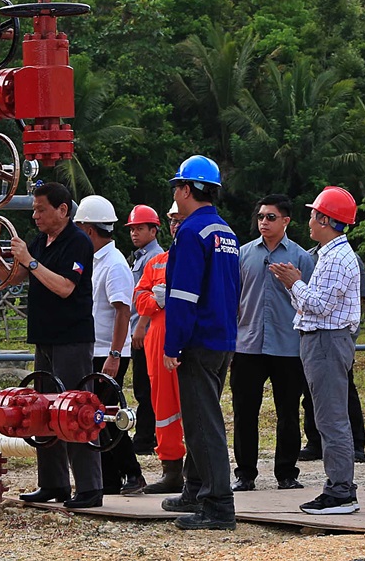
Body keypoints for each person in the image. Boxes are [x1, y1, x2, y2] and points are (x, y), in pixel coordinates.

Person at [0, 182, 102, 509]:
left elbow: (65, 287)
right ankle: (53, 484)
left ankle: (90, 487)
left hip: (72, 338)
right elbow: (13, 278)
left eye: (41, 209)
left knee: (74, 407)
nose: (35, 215)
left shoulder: (78, 243)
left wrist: (31, 261)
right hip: (45, 337)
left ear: (62, 210)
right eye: (34, 209)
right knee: (42, 410)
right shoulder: (39, 241)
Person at [269, 186, 362, 515]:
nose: (309, 220)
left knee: (331, 418)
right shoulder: (330, 254)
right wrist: (292, 284)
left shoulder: (336, 258)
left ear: (326, 219)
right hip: (322, 339)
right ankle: (340, 487)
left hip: (327, 340)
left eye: (313, 214)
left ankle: (340, 491)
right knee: (328, 417)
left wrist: (294, 281)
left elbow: (319, 306)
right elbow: (310, 307)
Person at [161, 155, 240, 531]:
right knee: (200, 417)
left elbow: (183, 296)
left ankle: (218, 505)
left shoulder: (191, 233)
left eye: (177, 186)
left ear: (187, 189)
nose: (175, 193)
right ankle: (195, 489)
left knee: (203, 423)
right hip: (222, 336)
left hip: (198, 338)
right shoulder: (225, 231)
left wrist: (172, 344)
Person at [231, 194, 315, 492]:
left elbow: (310, 303)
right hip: (248, 344)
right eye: (261, 217)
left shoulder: (302, 257)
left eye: (270, 217)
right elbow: (233, 299)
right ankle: (245, 473)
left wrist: (293, 281)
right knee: (244, 412)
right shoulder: (243, 254)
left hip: (287, 346)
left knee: (288, 412)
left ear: (286, 221)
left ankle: (286, 473)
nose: (263, 222)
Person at [73, 195, 146, 496]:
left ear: (89, 230)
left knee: (106, 416)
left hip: (108, 351)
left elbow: (122, 310)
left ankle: (132, 473)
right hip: (95, 349)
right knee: (96, 417)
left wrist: (115, 354)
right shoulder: (90, 260)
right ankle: (110, 479)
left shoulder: (114, 264)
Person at [135, 202, 186, 494]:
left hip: (189, 344)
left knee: (195, 407)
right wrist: (157, 301)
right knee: (163, 409)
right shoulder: (156, 263)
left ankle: (199, 469)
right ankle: (171, 470)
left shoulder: (198, 259)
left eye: (180, 219)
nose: (175, 225)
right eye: (172, 220)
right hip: (158, 345)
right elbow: (139, 297)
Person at [299, 251, 365, 465]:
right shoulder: (308, 256)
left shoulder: (345, 258)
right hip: (311, 337)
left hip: (335, 338)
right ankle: (315, 442)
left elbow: (360, 299)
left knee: (343, 394)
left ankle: (355, 445)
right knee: (311, 393)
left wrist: (349, 336)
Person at [126, 204, 163, 456]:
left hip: (147, 331)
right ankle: (145, 436)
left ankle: (145, 438)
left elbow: (154, 298)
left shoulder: (155, 257)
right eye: (132, 229)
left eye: (140, 228)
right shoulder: (140, 256)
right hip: (140, 330)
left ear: (154, 230)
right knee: (142, 386)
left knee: (146, 388)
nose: (134, 233)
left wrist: (141, 326)